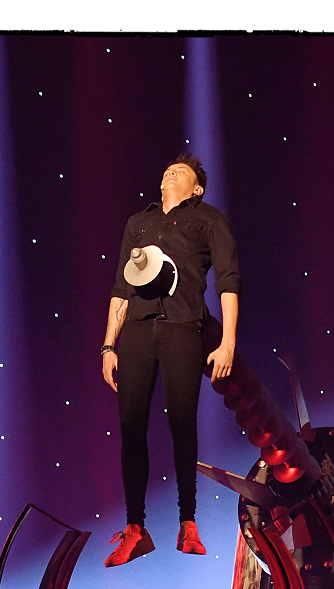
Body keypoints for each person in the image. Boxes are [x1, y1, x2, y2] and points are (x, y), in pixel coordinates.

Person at [99, 154, 239, 567]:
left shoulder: (209, 219)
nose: (170, 173)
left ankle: (187, 522)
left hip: (183, 327)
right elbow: (122, 288)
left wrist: (228, 342)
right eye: (166, 171)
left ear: (197, 188)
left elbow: (228, 279)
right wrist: (108, 346)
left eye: (180, 171)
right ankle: (135, 529)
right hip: (138, 331)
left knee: (182, 421)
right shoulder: (138, 223)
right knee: (131, 426)